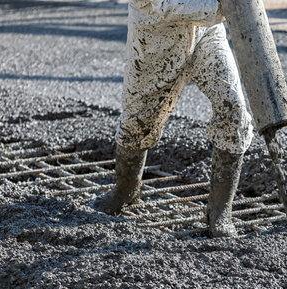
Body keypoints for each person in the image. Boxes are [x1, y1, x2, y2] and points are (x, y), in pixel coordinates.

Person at [97, 0, 254, 237]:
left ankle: (220, 212)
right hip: (155, 37)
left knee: (233, 109)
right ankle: (125, 191)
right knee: (137, 124)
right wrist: (230, 7)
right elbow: (169, 5)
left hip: (206, 34)